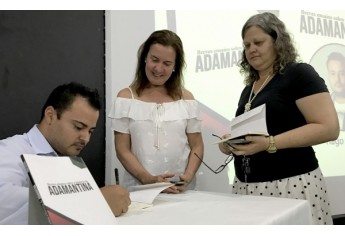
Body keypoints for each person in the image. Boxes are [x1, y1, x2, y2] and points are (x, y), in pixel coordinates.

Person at [217, 12, 339, 224]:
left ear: (277, 42)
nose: (251, 49)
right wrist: (232, 142)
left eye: (258, 42)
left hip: (291, 187)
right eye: (246, 45)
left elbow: (329, 128)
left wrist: (269, 143)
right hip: (248, 188)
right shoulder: (250, 88)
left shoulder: (299, 73)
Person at [0, 82, 130, 224]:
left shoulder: (70, 163)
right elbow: (3, 198)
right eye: (78, 127)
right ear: (50, 116)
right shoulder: (11, 150)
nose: (86, 138)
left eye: (90, 131)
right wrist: (93, 202)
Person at [108, 29, 204, 193]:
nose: (158, 68)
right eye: (154, 60)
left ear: (175, 66)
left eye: (167, 63)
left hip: (180, 192)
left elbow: (197, 146)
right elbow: (122, 149)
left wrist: (187, 176)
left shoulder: (187, 99)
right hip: (139, 192)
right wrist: (147, 179)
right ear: (145, 58)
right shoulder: (125, 98)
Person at [326, 51, 345, 131]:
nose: (337, 79)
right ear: (328, 76)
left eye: (341, 73)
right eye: (333, 74)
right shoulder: (323, 106)